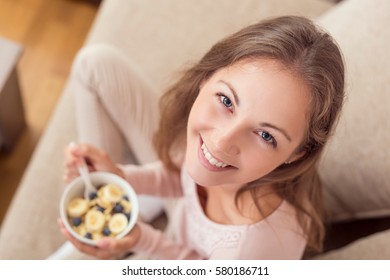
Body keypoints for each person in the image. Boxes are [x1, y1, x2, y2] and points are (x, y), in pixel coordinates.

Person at [51, 15, 345, 260]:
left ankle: (120, 226)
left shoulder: (253, 247)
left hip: (180, 251)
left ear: (297, 153)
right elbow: (182, 176)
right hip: (177, 212)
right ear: (208, 75)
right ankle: (121, 200)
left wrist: (142, 240)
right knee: (95, 63)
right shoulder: (214, 155)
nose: (221, 143)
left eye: (266, 135)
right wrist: (121, 178)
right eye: (227, 101)